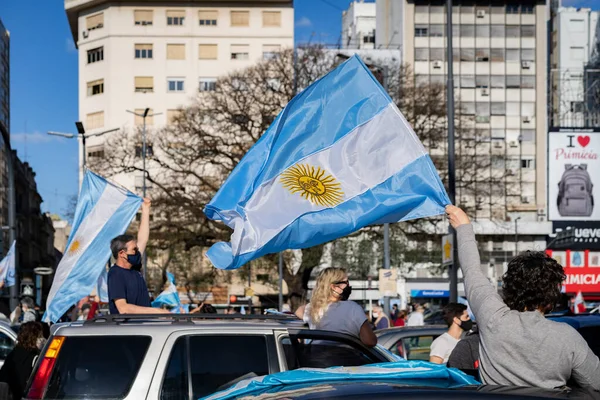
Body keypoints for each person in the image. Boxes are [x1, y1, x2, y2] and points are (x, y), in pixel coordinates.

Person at [446, 205, 600, 390]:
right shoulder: (568, 337)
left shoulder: (493, 318)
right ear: (551, 299)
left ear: (508, 290)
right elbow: (595, 383)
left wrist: (464, 226)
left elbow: (472, 271)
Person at [107, 198, 169, 315]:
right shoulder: (115, 274)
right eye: (134, 249)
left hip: (143, 327)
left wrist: (145, 209)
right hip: (130, 330)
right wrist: (155, 311)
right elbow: (123, 308)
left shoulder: (134, 267)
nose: (137, 251)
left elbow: (143, 238)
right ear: (122, 254)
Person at [295, 267, 377, 347]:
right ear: (334, 287)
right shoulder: (353, 308)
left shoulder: (313, 309)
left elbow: (298, 311)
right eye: (346, 282)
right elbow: (370, 341)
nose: (348, 286)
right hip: (347, 358)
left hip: (316, 357)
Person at [0, 322, 44, 400]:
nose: (42, 339)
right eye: (39, 336)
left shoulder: (13, 354)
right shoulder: (35, 357)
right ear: (32, 338)